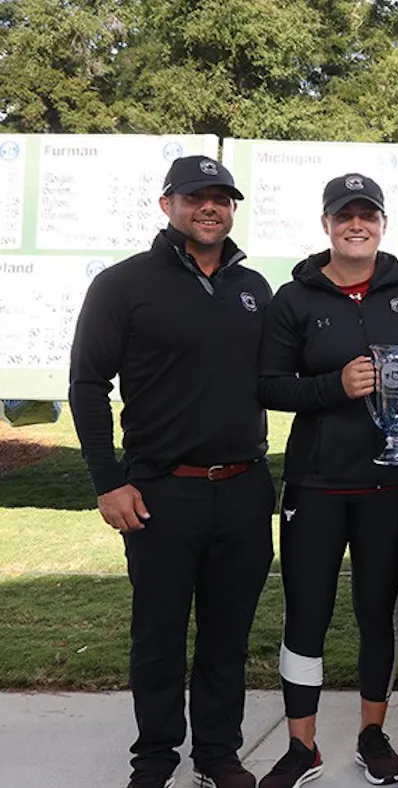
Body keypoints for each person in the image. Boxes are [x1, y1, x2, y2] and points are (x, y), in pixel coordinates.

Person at [69, 156, 273, 788]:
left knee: (227, 637)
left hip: (242, 489)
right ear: (168, 204)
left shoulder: (254, 288)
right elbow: (86, 385)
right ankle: (154, 760)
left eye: (221, 197)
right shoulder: (123, 284)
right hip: (160, 492)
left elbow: (289, 371)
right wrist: (108, 481)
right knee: (158, 637)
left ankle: (216, 755)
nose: (210, 207)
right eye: (196, 197)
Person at [256, 174, 398, 787]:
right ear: (327, 223)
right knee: (307, 612)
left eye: (367, 215)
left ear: (383, 223)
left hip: (390, 482)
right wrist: (332, 387)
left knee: (375, 613)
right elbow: (270, 385)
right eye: (344, 216)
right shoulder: (295, 298)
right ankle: (301, 744)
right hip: (317, 484)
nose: (355, 225)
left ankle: (372, 731)